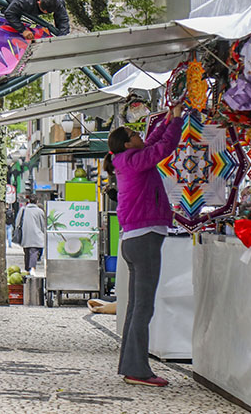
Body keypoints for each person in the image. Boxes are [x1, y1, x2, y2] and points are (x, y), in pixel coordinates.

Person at [104, 103, 184, 388]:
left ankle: (131, 365)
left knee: (137, 307)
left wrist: (167, 120)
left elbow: (151, 143)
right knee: (143, 308)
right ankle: (137, 369)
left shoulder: (128, 159)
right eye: (134, 133)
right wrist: (175, 122)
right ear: (127, 143)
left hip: (135, 238)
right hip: (144, 237)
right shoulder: (133, 161)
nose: (140, 134)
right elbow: (161, 150)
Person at [1, 0, 71, 39]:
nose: (46, 13)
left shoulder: (57, 1)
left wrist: (62, 37)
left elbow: (63, 19)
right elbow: (9, 13)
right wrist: (23, 30)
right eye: (43, 11)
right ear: (39, 2)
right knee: (11, 23)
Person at [14, 194, 45, 270]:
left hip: (25, 235)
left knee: (27, 253)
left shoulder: (23, 210)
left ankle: (27, 269)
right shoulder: (40, 211)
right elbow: (43, 224)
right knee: (33, 252)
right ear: (37, 201)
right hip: (37, 235)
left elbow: (17, 222)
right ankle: (32, 269)